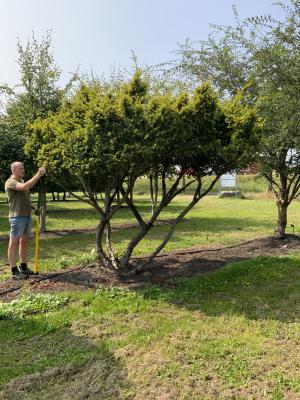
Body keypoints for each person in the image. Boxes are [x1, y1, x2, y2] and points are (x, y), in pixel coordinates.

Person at [5, 162, 46, 280]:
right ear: (14, 170)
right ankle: (14, 271)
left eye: (23, 168)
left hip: (26, 216)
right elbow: (24, 188)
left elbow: (24, 196)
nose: (23, 170)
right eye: (20, 168)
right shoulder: (10, 182)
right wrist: (38, 175)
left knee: (24, 242)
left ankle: (23, 267)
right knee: (14, 242)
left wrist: (32, 207)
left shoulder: (22, 181)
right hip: (17, 217)